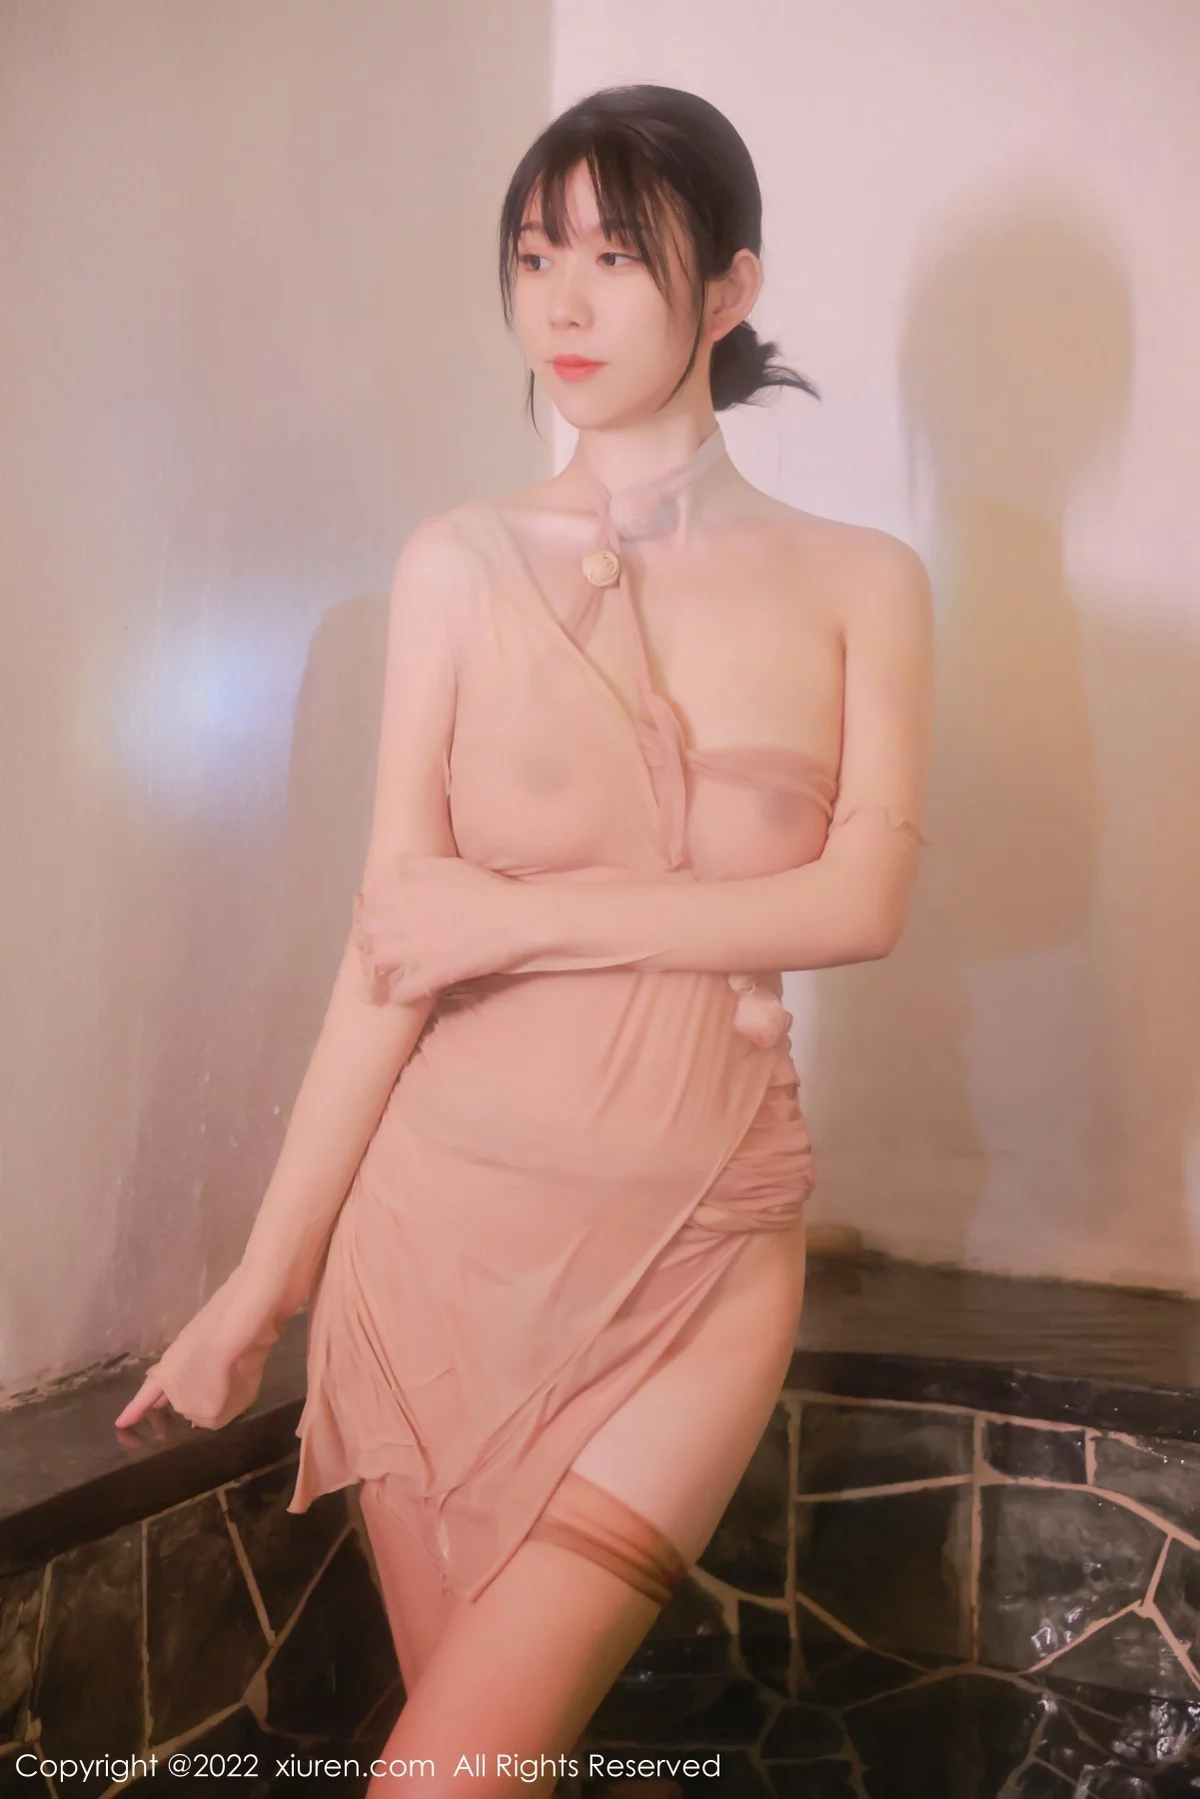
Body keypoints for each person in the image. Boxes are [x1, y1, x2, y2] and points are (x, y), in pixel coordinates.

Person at [115, 84, 932, 1796]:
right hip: (434, 1249)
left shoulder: (861, 580)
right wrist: (261, 1283)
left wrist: (522, 912)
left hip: (700, 1249)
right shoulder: (457, 565)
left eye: (619, 257)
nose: (563, 299)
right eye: (535, 253)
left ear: (729, 290)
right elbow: (387, 956)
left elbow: (859, 904)